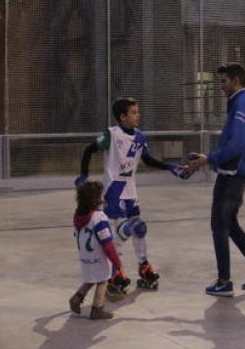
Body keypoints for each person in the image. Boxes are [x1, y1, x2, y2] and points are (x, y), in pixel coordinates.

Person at [75, 96, 190, 294]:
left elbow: (147, 159)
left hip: (130, 189)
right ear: (122, 117)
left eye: (138, 111)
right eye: (134, 112)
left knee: (139, 229)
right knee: (122, 230)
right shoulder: (112, 134)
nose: (138, 115)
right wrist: (84, 174)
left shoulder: (139, 137)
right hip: (114, 190)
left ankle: (143, 265)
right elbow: (88, 150)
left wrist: (169, 167)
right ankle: (115, 270)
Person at [183, 63, 245, 297]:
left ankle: (224, 281)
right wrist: (209, 158)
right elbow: (233, 141)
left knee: (219, 224)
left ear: (236, 80)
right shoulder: (242, 103)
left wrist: (209, 158)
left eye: (224, 81)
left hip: (234, 173)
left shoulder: (242, 103)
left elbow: (238, 144)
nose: (221, 87)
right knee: (229, 222)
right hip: (236, 171)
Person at [70, 178, 125, 320]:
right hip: (98, 255)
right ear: (96, 199)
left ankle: (76, 298)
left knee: (90, 278)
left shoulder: (78, 215)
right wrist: (116, 262)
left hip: (84, 255)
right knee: (102, 280)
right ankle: (97, 309)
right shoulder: (99, 217)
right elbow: (107, 244)